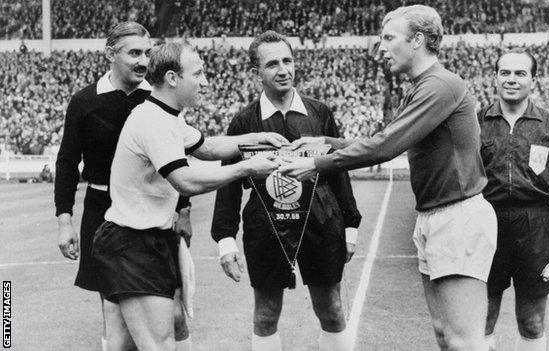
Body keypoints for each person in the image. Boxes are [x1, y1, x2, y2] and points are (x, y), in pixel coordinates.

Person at [280, 5, 497, 350]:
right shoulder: (421, 86)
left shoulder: (440, 85)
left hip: (457, 218)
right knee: (444, 334)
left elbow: (385, 146)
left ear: (418, 41)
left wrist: (319, 162)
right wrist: (330, 142)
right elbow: (388, 137)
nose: (380, 47)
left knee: (464, 341)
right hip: (435, 216)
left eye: (388, 38)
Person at [91, 41, 287, 351]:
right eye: (198, 74)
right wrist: (247, 168)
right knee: (160, 345)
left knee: (122, 346)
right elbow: (185, 181)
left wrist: (256, 138)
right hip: (132, 243)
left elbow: (207, 148)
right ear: (172, 78)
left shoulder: (167, 116)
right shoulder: (152, 121)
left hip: (140, 239)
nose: (205, 82)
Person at [211, 30, 362, 351]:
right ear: (256, 74)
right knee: (266, 314)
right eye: (272, 64)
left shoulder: (319, 113)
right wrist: (224, 239)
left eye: (288, 60)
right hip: (265, 229)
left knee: (332, 310)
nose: (283, 69)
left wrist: (351, 225)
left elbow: (339, 171)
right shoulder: (243, 122)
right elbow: (228, 184)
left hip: (321, 224)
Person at [54, 21, 195, 351]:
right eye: (134, 53)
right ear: (110, 54)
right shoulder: (85, 101)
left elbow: (181, 154)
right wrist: (64, 221)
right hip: (103, 213)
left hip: (157, 211)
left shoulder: (160, 98)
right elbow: (66, 162)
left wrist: (184, 209)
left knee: (174, 313)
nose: (143, 61)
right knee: (116, 316)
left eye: (147, 53)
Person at [477, 50, 549, 351]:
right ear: (495, 77)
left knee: (532, 321)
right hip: (487, 222)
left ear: (533, 80)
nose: (511, 79)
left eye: (520, 73)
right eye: (505, 72)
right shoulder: (475, 123)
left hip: (536, 225)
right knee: (482, 318)